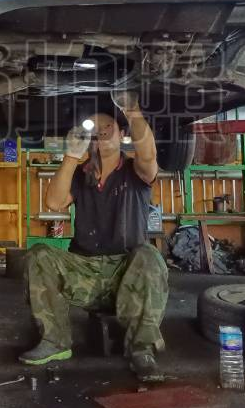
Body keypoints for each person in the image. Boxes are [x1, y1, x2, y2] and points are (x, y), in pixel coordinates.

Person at [19, 92, 170, 382]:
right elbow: (54, 202)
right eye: (94, 130)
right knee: (39, 255)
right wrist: (71, 156)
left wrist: (132, 109)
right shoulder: (80, 174)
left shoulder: (135, 172)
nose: (100, 133)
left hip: (126, 276)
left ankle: (142, 349)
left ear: (122, 134)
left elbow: (149, 155)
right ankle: (55, 341)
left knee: (150, 256)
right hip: (85, 273)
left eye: (107, 128)